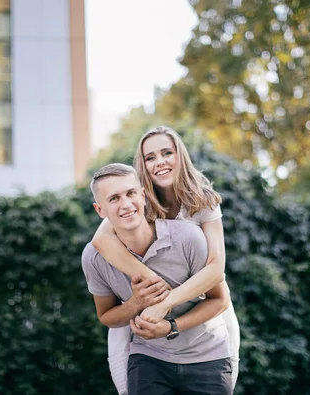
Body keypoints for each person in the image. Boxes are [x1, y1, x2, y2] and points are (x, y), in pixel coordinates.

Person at [92, 126, 240, 393]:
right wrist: (152, 286)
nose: (159, 162)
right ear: (142, 165)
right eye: (150, 157)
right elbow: (102, 241)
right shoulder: (136, 199)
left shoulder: (203, 201)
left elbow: (216, 269)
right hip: (145, 317)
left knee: (228, 362)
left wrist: (167, 302)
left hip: (203, 301)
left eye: (167, 153)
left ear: (180, 156)